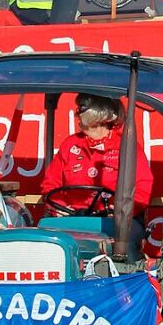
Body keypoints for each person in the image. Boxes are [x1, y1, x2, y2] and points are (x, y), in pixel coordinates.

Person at [41, 93, 153, 235]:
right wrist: (60, 208)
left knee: (127, 243)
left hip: (114, 219)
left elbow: (142, 186)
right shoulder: (70, 145)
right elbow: (50, 184)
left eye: (83, 107)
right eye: (79, 107)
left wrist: (123, 211)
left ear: (101, 112)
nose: (78, 112)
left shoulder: (126, 146)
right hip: (73, 217)